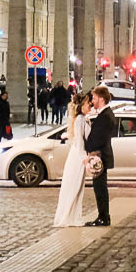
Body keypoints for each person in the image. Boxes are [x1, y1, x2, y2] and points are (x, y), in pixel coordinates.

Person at [54, 93, 91, 227]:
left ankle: (73, 216)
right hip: (78, 156)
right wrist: (85, 158)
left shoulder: (81, 118)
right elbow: (80, 141)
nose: (89, 105)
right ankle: (70, 217)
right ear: (81, 105)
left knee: (76, 186)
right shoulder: (80, 119)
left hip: (76, 155)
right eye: (87, 103)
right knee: (75, 186)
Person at [84, 86, 116, 227]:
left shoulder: (105, 116)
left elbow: (99, 139)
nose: (93, 100)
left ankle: (103, 217)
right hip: (100, 155)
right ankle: (103, 216)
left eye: (95, 98)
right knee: (100, 188)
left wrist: (88, 149)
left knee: (100, 189)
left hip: (100, 157)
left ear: (101, 99)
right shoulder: (105, 114)